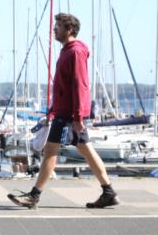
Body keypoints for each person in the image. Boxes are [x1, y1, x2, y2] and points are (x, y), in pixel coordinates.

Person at [8, 13, 118, 209]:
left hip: (69, 116)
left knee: (51, 152)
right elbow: (63, 87)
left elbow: (80, 85)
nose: (54, 30)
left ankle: (34, 196)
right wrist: (52, 110)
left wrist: (77, 116)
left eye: (57, 26)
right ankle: (108, 192)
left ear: (69, 30)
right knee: (86, 150)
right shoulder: (67, 51)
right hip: (64, 113)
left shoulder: (75, 52)